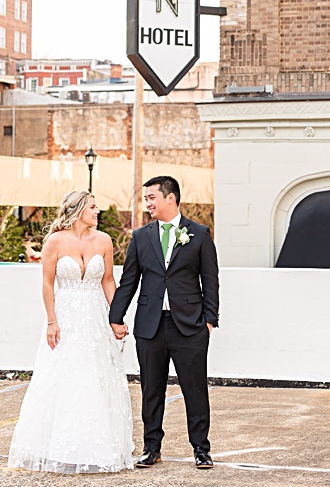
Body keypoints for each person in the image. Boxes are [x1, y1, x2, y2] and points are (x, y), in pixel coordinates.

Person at [8, 190, 134, 473]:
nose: (98, 212)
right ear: (78, 210)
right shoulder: (55, 241)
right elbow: (48, 284)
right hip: (65, 318)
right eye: (93, 207)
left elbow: (108, 282)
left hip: (95, 318)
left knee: (95, 377)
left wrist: (117, 318)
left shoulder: (104, 241)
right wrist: (52, 321)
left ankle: (95, 447)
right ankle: (57, 448)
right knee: (63, 378)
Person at [110, 175, 220, 470]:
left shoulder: (199, 233)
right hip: (150, 326)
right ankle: (151, 448)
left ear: (170, 198)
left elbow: (210, 279)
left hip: (190, 326)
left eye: (151, 198)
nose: (147, 204)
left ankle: (201, 449)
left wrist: (210, 320)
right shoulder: (140, 236)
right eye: (145, 199)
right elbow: (129, 280)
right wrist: (115, 317)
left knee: (195, 389)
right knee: (151, 390)